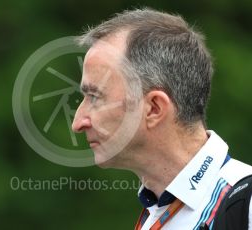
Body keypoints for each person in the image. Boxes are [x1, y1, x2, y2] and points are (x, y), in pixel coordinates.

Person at [71, 8, 252, 229]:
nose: (78, 123)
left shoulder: (246, 204)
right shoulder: (157, 210)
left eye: (95, 97)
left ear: (154, 108)